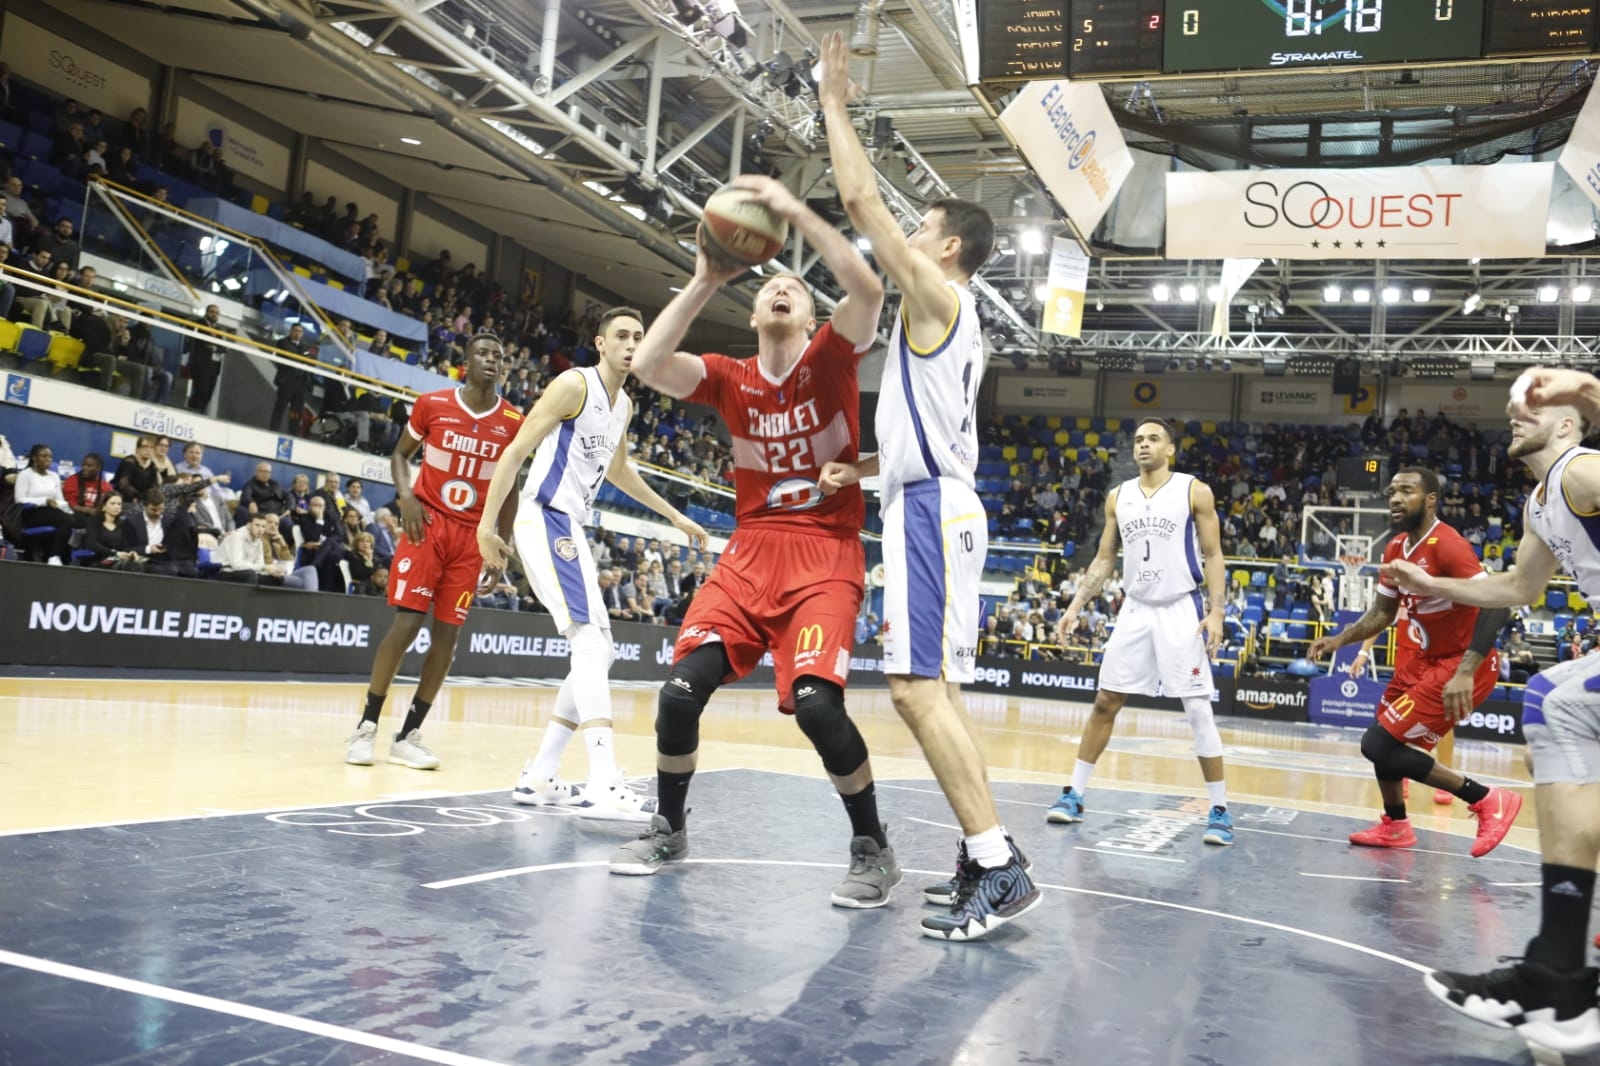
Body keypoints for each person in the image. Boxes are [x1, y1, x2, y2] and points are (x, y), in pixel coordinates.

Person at [610, 171, 899, 910]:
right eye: (770, 288)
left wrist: (798, 213)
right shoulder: (729, 376)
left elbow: (866, 293)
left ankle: (873, 848)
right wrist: (707, 276)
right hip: (748, 553)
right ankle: (668, 828)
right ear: (753, 317)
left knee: (815, 706)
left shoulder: (832, 357)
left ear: (810, 320)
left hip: (824, 557)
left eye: (796, 292)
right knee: (678, 697)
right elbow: (646, 366)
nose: (781, 290)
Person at [809, 29, 1036, 940]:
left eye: (921, 227)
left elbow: (860, 195)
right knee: (929, 689)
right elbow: (935, 425)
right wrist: (861, 465)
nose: (905, 234)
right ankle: (985, 851)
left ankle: (997, 860)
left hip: (931, 510)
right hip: (927, 494)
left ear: (946, 248)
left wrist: (832, 99)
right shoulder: (940, 317)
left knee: (911, 691)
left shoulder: (940, 297)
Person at [1389, 369, 1600, 1053]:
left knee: (1559, 701)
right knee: (1553, 699)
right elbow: (1517, 586)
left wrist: (1592, 391)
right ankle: (1559, 968)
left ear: (1568, 423)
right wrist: (1432, 582)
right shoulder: (1542, 500)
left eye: (1534, 404)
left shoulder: (1582, 472)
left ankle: (1559, 973)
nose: (1515, 412)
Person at [477, 307, 707, 821]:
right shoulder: (573, 385)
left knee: (599, 652)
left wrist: (675, 516)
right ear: (601, 344)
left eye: (638, 337)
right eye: (621, 336)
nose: (631, 344)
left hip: (570, 524)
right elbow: (514, 452)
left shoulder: (622, 405)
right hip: (546, 516)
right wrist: (487, 525)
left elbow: (621, 471)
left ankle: (540, 775)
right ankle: (603, 781)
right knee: (588, 642)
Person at [1307, 468, 1521, 856]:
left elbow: (1498, 601)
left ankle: (1487, 798)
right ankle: (1396, 825)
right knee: (1382, 739)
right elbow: (1382, 614)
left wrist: (1466, 671)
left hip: (1461, 663)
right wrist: (1341, 639)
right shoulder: (1395, 549)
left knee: (1378, 744)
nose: (1394, 498)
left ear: (1430, 500)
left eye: (1407, 491)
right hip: (1425, 660)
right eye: (1392, 491)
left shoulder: (1447, 544)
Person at [1043, 417, 1235, 844]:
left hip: (1181, 609)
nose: (1143, 445)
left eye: (1153, 439)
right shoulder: (1118, 496)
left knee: (1198, 708)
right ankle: (1074, 794)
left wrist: (1216, 612)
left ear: (1171, 450)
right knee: (1105, 701)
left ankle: (1219, 809)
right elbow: (1104, 558)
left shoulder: (1193, 490)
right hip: (1135, 609)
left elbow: (1214, 554)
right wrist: (1076, 605)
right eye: (1138, 440)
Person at [345, 333, 518, 770]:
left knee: (448, 636)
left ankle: (408, 735)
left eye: (498, 356)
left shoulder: (515, 421)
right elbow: (402, 454)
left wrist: (502, 543)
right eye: (483, 353)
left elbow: (511, 486)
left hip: (473, 536)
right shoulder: (433, 404)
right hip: (428, 526)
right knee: (405, 625)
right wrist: (406, 497)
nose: (491, 360)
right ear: (466, 361)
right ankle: (367, 726)